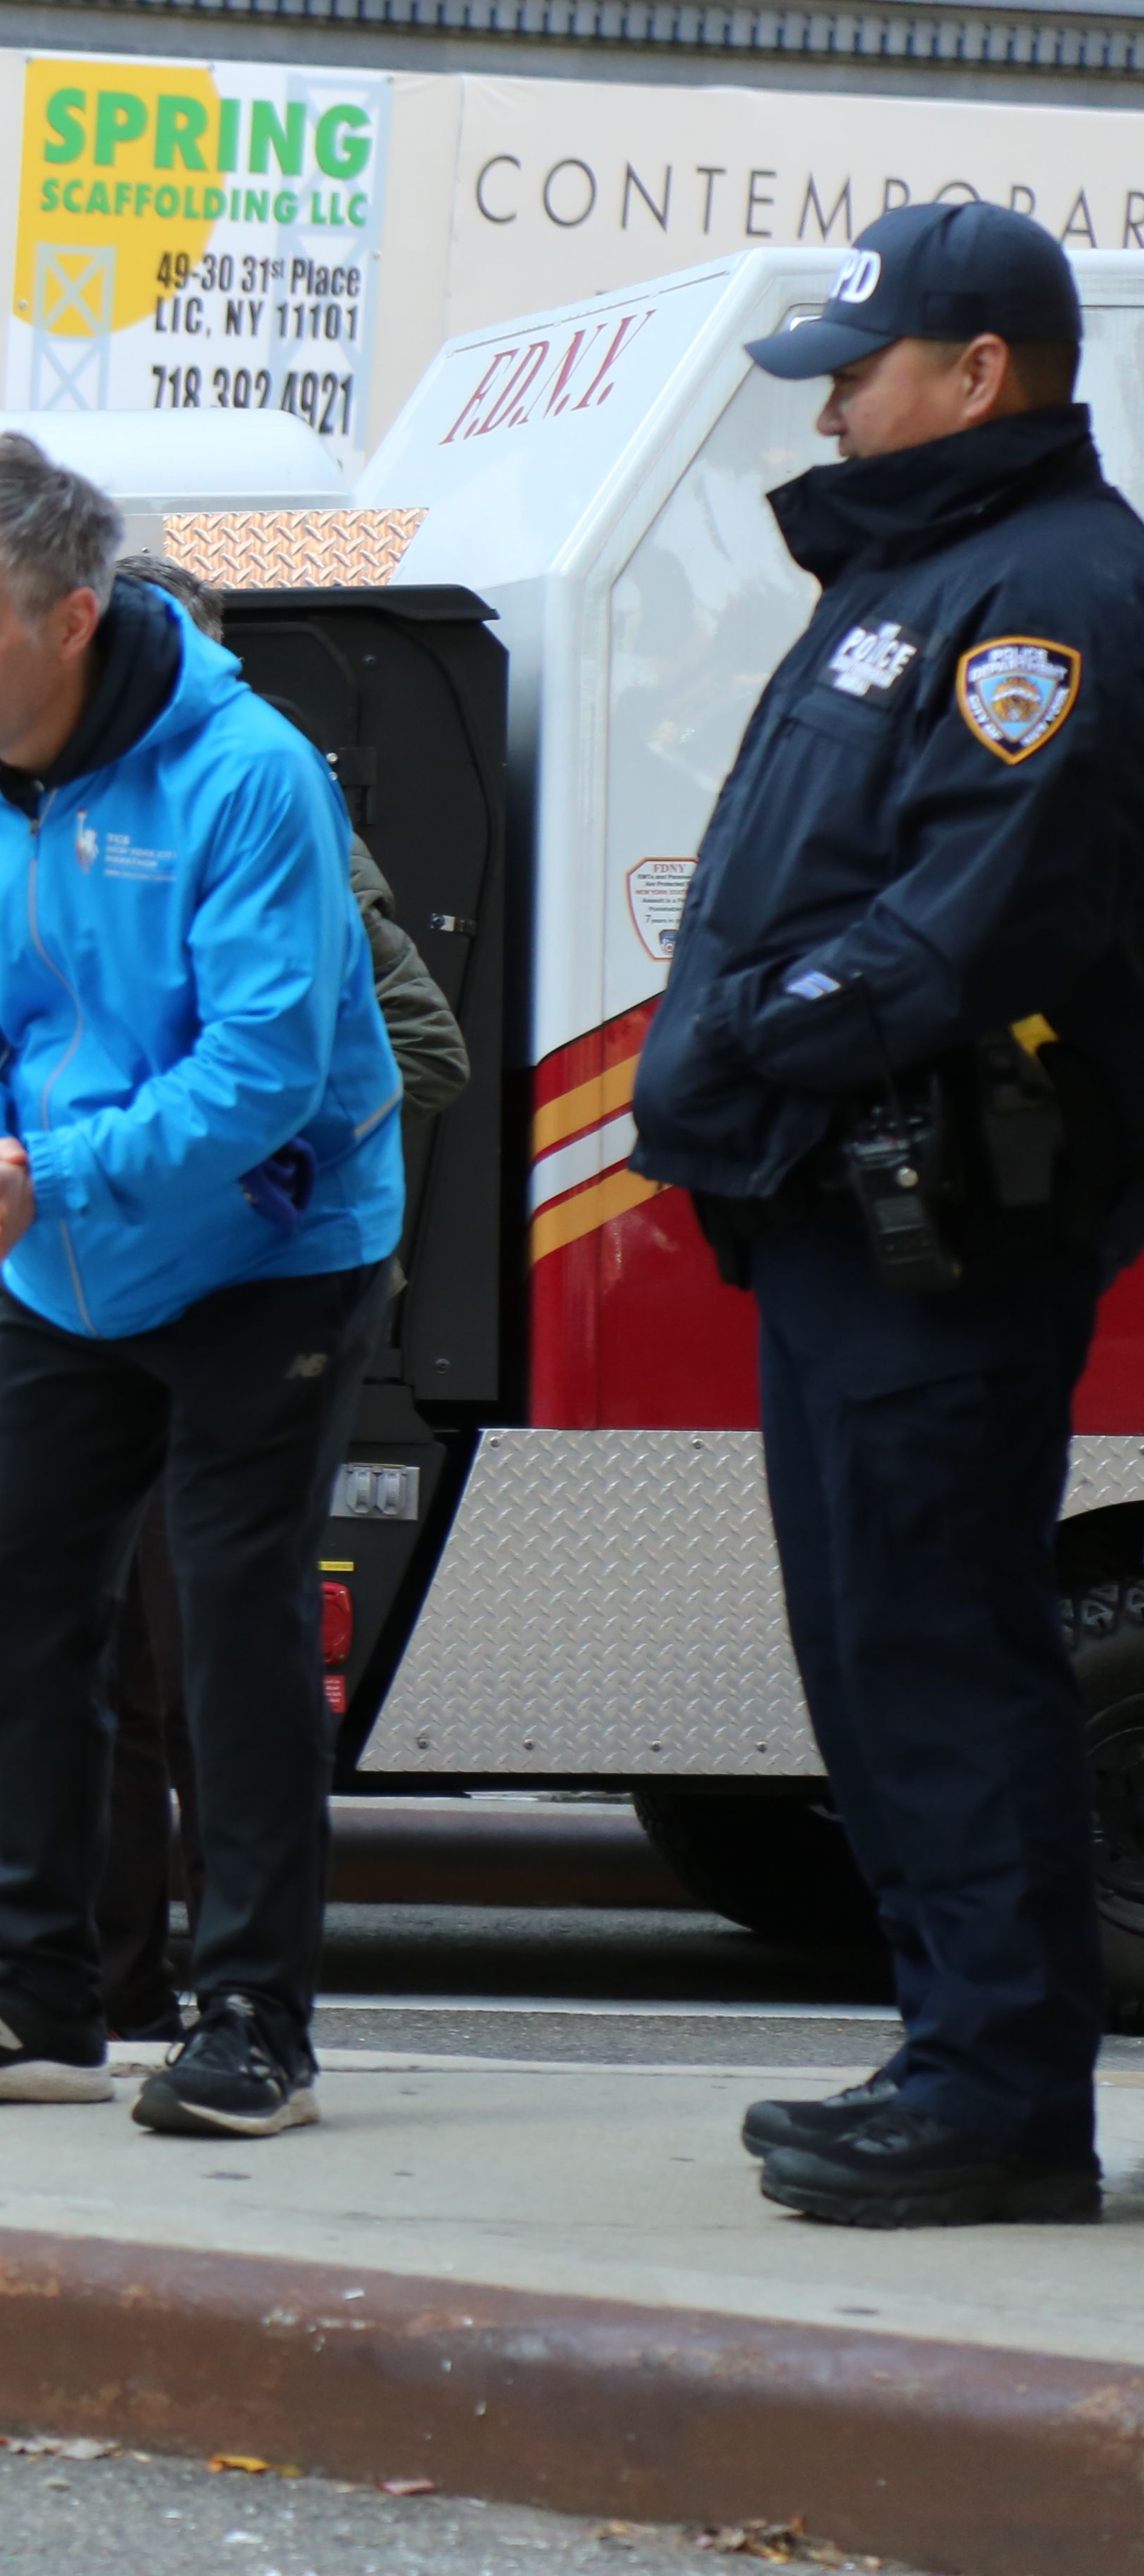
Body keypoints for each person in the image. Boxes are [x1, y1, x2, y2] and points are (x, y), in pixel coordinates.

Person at [629, 202, 1144, 2229]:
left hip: (945, 1216)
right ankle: (957, 2051)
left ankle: (1005, 2098)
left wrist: (742, 1044)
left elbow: (965, 918)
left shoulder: (1053, 597)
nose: (830, 403)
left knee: (939, 1642)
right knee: (870, 1647)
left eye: (857, 366)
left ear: (980, 374)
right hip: (846, 1211)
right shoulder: (927, 572)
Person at [0, 437, 401, 2138]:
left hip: (265, 1250)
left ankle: (251, 2020)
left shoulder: (241, 774)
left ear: (69, 618)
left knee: (229, 1625)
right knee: (22, 1599)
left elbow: (261, 1071)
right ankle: (40, 1994)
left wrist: (41, 1174)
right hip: (64, 1259)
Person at [85, 554, 469, 2039]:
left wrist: (246, 1152)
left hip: (243, 1312)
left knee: (210, 1680)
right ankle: (107, 1991)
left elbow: (417, 1050)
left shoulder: (272, 809)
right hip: (94, 1300)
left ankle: (235, 1993)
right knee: (97, 1678)